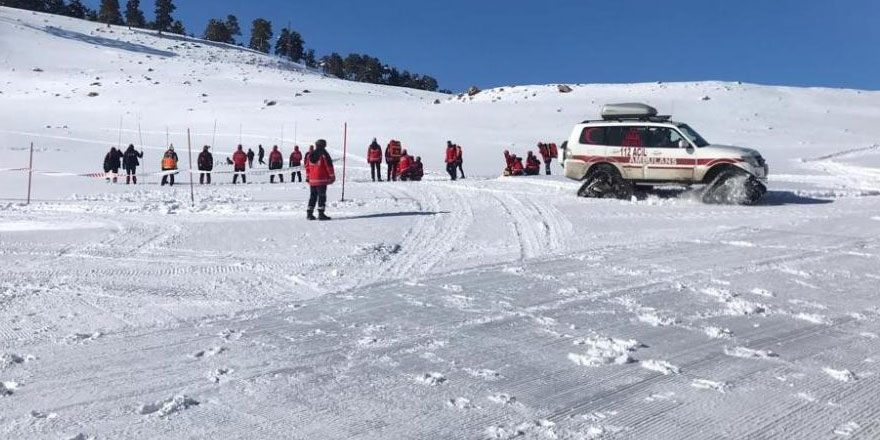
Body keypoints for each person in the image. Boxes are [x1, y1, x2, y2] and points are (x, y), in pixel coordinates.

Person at [307, 139, 335, 221]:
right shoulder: (324, 154)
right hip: (321, 179)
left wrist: (308, 177)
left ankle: (309, 213)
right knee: (322, 196)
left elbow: (307, 167)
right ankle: (321, 214)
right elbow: (328, 166)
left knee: (313, 196)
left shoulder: (311, 154)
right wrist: (332, 176)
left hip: (312, 180)